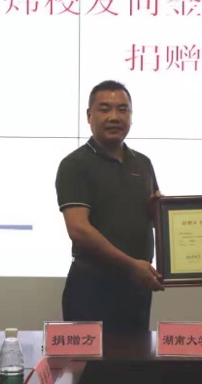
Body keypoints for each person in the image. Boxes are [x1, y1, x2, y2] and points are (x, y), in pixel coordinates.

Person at [55, 80, 163, 333]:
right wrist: (131, 265)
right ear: (89, 116)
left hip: (136, 289)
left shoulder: (143, 163)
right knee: (91, 359)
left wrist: (167, 214)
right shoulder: (75, 164)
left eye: (122, 109)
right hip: (92, 289)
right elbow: (79, 229)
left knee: (135, 357)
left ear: (131, 116)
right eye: (105, 109)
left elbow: (151, 217)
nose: (114, 117)